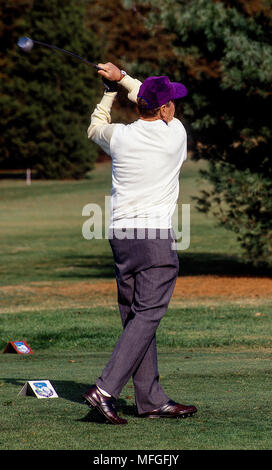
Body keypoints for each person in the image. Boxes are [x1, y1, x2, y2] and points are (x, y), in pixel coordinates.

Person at [82, 63, 197, 425]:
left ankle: (150, 400)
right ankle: (105, 389)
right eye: (171, 103)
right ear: (163, 110)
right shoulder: (174, 133)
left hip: (120, 237)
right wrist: (124, 79)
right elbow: (141, 94)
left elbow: (94, 127)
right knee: (147, 316)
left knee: (136, 318)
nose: (175, 108)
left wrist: (109, 90)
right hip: (155, 239)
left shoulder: (119, 136)